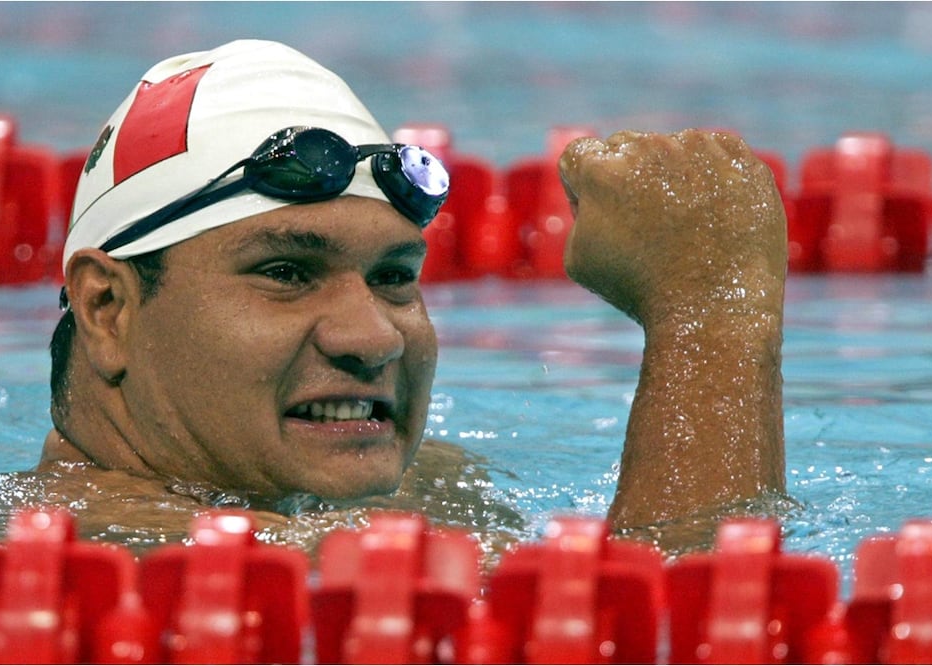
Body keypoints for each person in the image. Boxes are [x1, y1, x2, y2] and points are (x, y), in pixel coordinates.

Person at [40, 40, 787, 545]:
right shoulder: (131, 553)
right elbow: (677, 630)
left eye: (394, 278)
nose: (374, 338)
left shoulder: (415, 488)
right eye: (285, 273)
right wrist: (710, 310)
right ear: (109, 309)